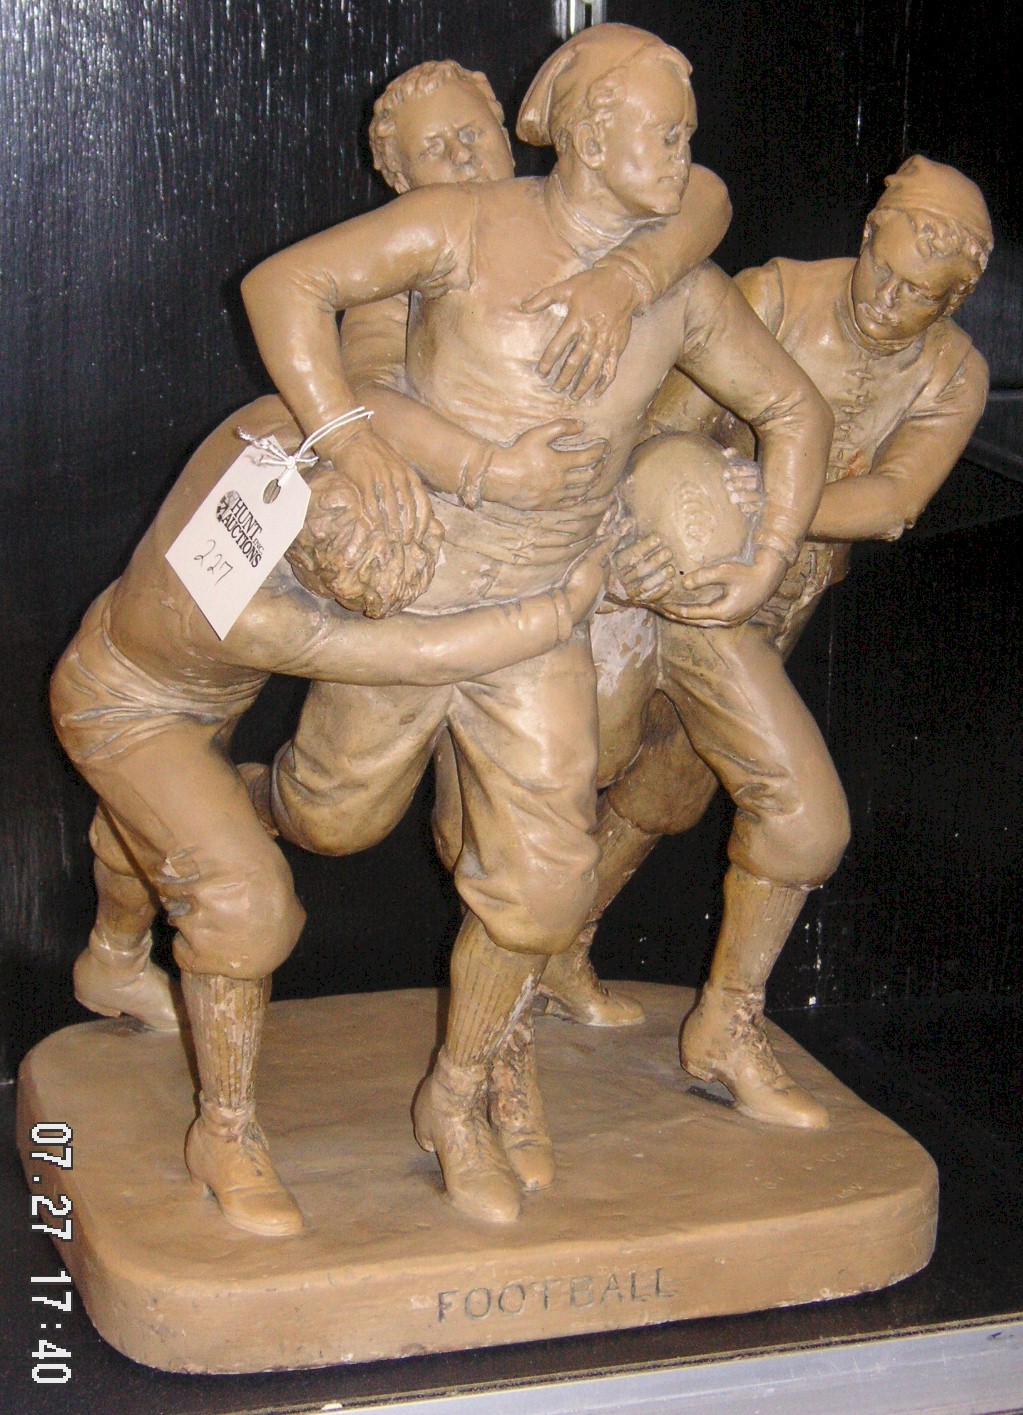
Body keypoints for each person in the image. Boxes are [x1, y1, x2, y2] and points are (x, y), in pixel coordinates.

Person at [241, 22, 833, 1224]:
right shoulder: (464, 225)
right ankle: (236, 804)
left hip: (540, 622)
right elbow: (281, 286)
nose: (685, 156)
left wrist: (767, 552)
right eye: (665, 134)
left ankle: (457, 1094)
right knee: (332, 819)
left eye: (687, 136)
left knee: (544, 890)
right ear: (592, 136)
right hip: (416, 601)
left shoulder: (679, 288)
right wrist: (354, 438)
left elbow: (796, 411)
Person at [71, 58, 732, 1037]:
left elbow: (705, 191)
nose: (464, 161)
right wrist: (474, 468)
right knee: (322, 817)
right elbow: (369, 394)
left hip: (540, 572)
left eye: (476, 136)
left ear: (520, 135)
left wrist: (625, 278)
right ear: (397, 179)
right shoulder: (398, 278)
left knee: (555, 812)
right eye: (436, 153)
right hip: (414, 584)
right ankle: (142, 898)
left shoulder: (582, 223)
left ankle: (501, 1046)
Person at [52, 395, 611, 1238]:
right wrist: (558, 611)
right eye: (339, 531)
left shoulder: (284, 437)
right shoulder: (257, 592)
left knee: (167, 820)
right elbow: (417, 652)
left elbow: (358, 406)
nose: (336, 526)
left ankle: (111, 958)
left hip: (199, 697)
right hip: (122, 706)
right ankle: (223, 1133)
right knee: (245, 904)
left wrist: (430, 458)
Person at [565, 155, 992, 1129]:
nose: (886, 301)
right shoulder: (772, 295)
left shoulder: (951, 372)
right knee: (582, 767)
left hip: (764, 602)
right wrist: (661, 532)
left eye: (918, 297)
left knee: (669, 791)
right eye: (882, 270)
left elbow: (893, 501)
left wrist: (776, 505)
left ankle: (594, 962)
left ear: (953, 301)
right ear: (868, 232)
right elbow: (658, 432)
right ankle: (516, 994)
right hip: (664, 568)